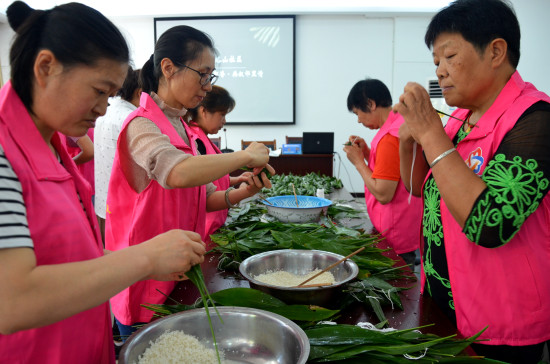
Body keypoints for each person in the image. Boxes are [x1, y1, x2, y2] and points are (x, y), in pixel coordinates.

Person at [0, 2, 207, 363]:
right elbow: (13, 301)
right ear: (46, 67)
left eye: (109, 96)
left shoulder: (52, 148)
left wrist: (141, 259)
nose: (101, 111)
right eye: (98, 91)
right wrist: (143, 258)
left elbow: (68, 259)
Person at [395, 0, 550, 362]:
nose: (441, 72)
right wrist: (408, 141)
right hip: (444, 301)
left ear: (496, 51)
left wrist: (431, 134)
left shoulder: (534, 118)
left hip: (498, 321)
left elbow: (489, 224)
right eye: (436, 62)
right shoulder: (461, 119)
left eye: (449, 57)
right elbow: (420, 188)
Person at [105, 25, 274, 339]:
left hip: (180, 270)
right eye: (203, 74)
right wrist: (244, 156)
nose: (208, 86)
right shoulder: (141, 126)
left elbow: (206, 197)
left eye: (211, 76)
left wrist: (243, 191)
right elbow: (176, 173)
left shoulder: (179, 125)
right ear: (169, 68)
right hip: (147, 284)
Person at [343, 78, 422, 269]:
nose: (359, 120)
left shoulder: (389, 137)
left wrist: (358, 162)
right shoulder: (397, 126)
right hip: (407, 223)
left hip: (396, 231)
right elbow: (393, 170)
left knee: (401, 288)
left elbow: (384, 193)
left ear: (370, 104)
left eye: (358, 113)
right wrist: (368, 153)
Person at [185, 85, 254, 245]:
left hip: (215, 226)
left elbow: (208, 179)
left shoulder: (203, 138)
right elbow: (203, 193)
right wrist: (246, 191)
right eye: (221, 115)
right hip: (206, 230)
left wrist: (235, 180)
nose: (224, 121)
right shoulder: (195, 142)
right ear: (203, 111)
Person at [94, 66, 141, 243]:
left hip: (103, 201)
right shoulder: (131, 118)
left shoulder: (106, 112)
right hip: (123, 206)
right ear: (140, 92)